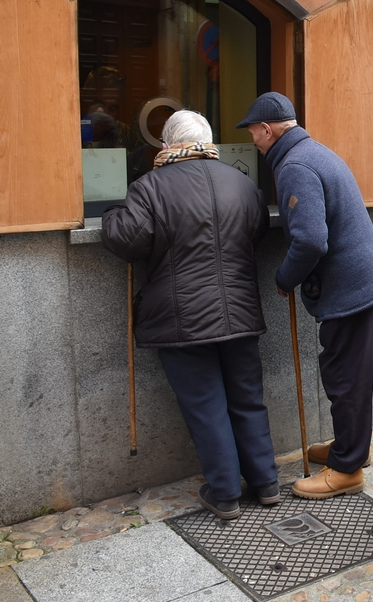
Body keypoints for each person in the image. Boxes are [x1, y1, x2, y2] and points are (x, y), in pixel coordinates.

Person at [102, 110, 277, 520]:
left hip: (183, 319)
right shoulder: (243, 183)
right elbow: (258, 232)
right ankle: (266, 482)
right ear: (208, 141)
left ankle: (224, 493)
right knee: (248, 399)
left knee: (206, 405)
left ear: (167, 146)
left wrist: (111, 214)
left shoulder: (151, 187)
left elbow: (127, 239)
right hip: (239, 311)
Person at [240, 92, 373, 499]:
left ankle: (346, 469)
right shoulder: (310, 152)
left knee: (344, 378)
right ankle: (352, 448)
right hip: (359, 283)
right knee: (353, 375)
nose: (253, 141)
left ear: (268, 128)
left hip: (349, 288)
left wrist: (285, 277)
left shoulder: (294, 165)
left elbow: (310, 241)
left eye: (253, 132)